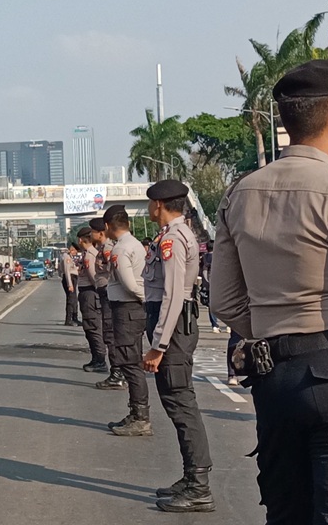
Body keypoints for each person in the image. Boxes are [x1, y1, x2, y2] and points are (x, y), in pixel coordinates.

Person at [212, 59, 328, 523]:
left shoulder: (239, 194)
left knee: (286, 513)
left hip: (273, 378)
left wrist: (278, 331)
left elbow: (224, 301)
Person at [141, 180, 214, 513]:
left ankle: (199, 486)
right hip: (174, 323)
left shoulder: (172, 239)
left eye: (150, 204)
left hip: (173, 326)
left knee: (181, 405)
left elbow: (172, 298)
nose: (148, 210)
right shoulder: (177, 235)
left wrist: (159, 345)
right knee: (177, 404)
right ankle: (191, 477)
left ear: (159, 204)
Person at [100, 205, 150, 436]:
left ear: (109, 226)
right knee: (130, 360)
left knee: (130, 362)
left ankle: (140, 417)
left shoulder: (121, 249)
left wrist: (143, 298)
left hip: (128, 309)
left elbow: (130, 285)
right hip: (132, 309)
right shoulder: (134, 244)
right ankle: (136, 413)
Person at [76, 228, 107, 372]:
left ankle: (100, 360)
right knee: (89, 328)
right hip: (87, 293)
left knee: (94, 328)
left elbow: (94, 278)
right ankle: (96, 358)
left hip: (90, 294)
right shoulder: (88, 254)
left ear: (81, 240)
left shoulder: (90, 255)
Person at [89, 218, 116, 379]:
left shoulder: (107, 249)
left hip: (108, 291)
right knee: (107, 332)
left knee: (110, 332)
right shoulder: (100, 248)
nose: (91, 234)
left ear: (100, 233)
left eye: (93, 231)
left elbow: (113, 271)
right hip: (104, 291)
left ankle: (117, 373)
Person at [60, 246, 81, 326]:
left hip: (73, 278)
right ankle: (68, 319)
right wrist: (70, 284)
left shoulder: (69, 257)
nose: (76, 253)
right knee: (71, 299)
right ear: (72, 250)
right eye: (75, 251)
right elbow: (67, 271)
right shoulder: (66, 257)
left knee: (74, 299)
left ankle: (75, 318)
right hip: (70, 279)